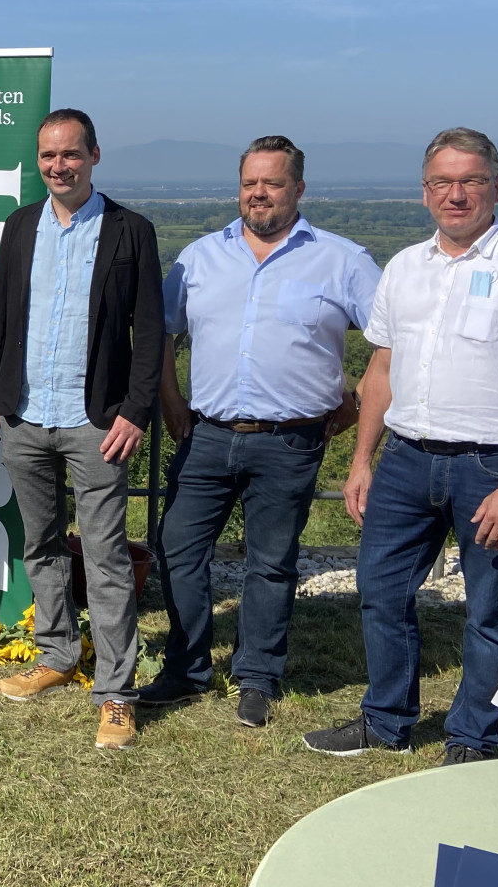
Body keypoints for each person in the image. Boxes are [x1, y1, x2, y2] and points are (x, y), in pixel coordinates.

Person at [304, 128, 498, 763]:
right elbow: (380, 372)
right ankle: (386, 721)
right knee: (380, 591)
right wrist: (361, 461)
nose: (455, 195)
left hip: (494, 464)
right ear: (425, 191)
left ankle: (472, 737)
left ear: (496, 187)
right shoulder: (404, 267)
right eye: (442, 183)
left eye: (470, 181)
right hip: (406, 458)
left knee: (491, 610)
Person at [144, 136, 380, 727]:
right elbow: (161, 335)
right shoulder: (200, 258)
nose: (259, 193)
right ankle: (187, 668)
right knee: (177, 550)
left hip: (291, 440)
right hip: (207, 434)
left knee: (271, 563)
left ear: (298, 188)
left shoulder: (342, 260)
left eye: (272, 183)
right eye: (250, 182)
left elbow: (393, 344)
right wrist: (173, 408)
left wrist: (350, 410)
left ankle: (257, 677)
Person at [0, 108, 164, 751]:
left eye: (71, 155)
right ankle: (56, 656)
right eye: (48, 156)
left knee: (106, 558)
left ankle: (116, 693)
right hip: (23, 413)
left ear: (94, 156)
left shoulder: (130, 230)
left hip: (96, 420)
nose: (59, 166)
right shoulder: (20, 224)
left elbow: (147, 333)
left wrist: (135, 411)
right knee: (41, 544)